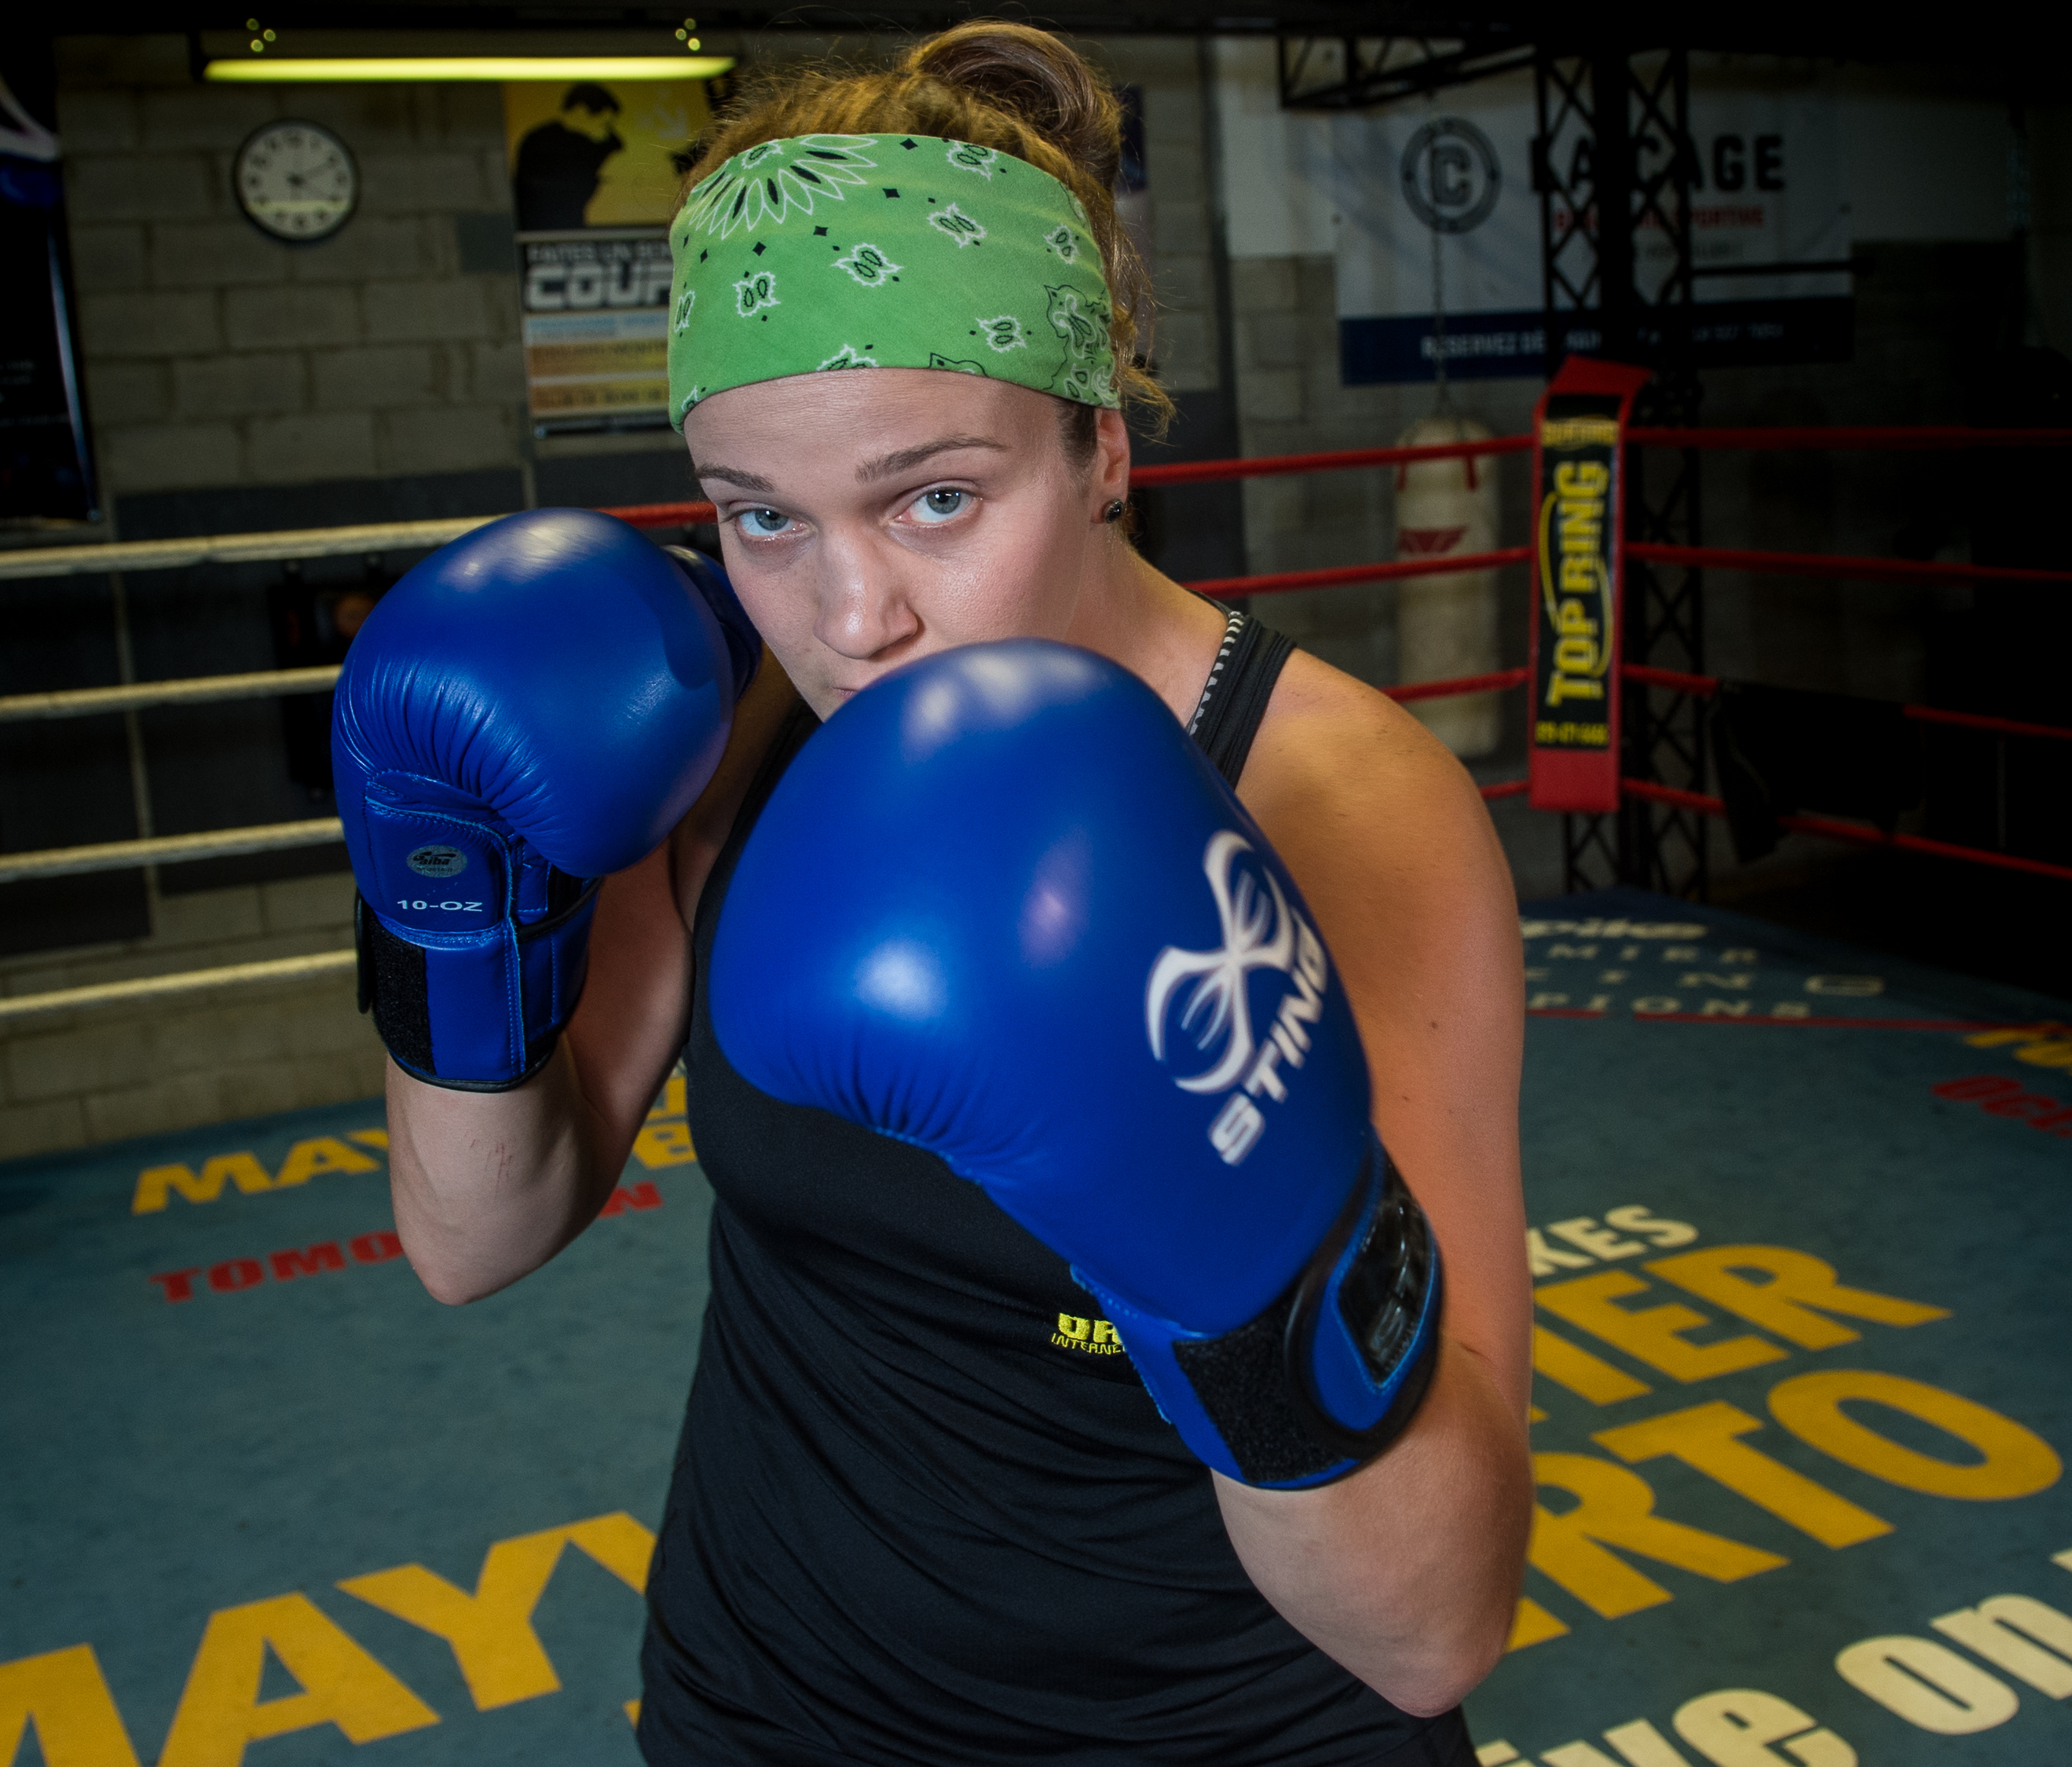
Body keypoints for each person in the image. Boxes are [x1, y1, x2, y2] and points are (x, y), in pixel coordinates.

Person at [332, 21, 1531, 1765]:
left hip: (1219, 1736)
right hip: (770, 1708)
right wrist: (455, 918)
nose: (851, 618)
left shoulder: (1338, 814)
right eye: (763, 518)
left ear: (1102, 448)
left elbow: (1435, 1628)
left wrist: (1240, 1253)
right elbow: (471, 1236)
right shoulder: (736, 719)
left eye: (938, 498)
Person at [511, 82, 626, 229]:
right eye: (604, 125)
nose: (606, 132)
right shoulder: (542, 142)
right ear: (581, 112)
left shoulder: (593, 144)